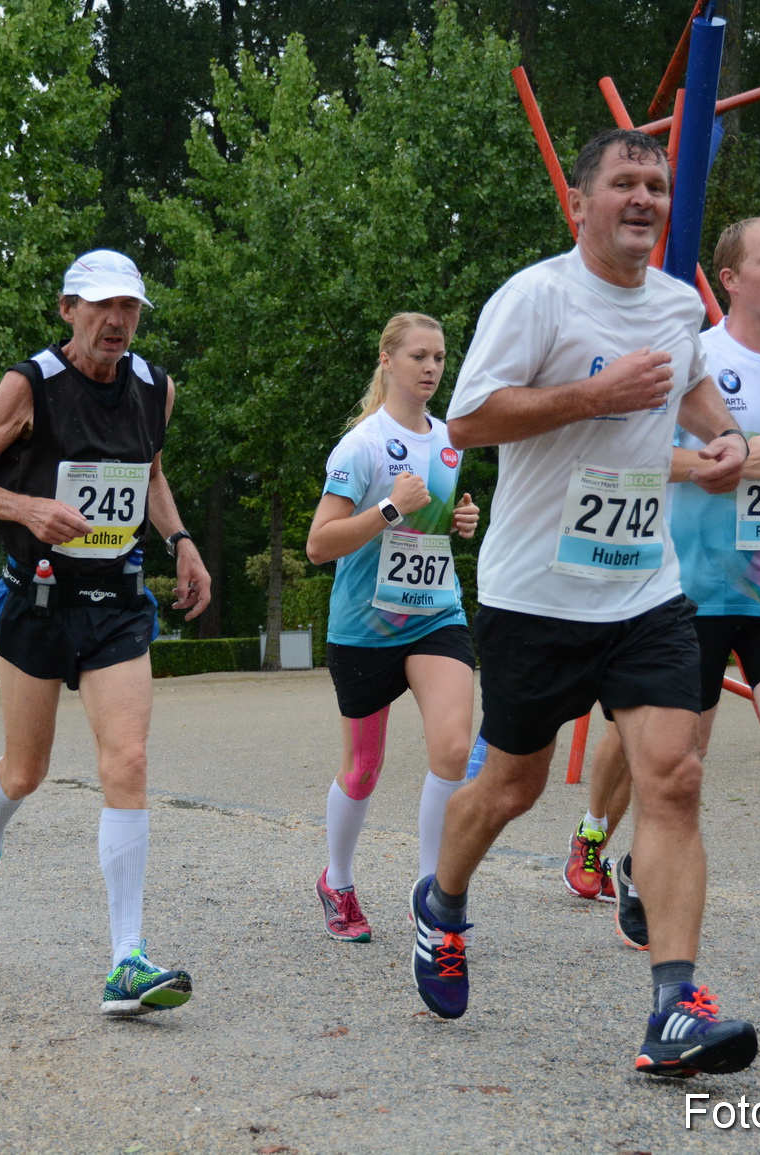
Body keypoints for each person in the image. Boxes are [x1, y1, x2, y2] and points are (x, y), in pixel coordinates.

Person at [414, 127, 757, 1078]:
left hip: (647, 587)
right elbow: (472, 418)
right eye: (624, 183)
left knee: (675, 775)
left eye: (656, 183)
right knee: (513, 787)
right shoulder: (538, 296)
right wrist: (592, 396)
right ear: (581, 202)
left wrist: (724, 439)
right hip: (536, 595)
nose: (643, 197)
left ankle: (674, 1005)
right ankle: (442, 905)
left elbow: (687, 391)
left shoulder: (680, 302)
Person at [567, 218, 760, 973]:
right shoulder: (694, 358)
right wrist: (712, 463)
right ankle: (631, 861)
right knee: (681, 758)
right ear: (730, 279)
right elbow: (637, 457)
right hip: (690, 588)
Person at [0, 249, 211, 1017]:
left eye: (130, 308)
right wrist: (28, 510)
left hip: (117, 601)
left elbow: (151, 474)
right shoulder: (31, 385)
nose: (117, 321)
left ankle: (125, 960)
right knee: (25, 772)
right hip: (38, 600)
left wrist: (182, 540)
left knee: (126, 759)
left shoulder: (155, 386)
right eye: (102, 307)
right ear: (68, 309)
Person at [303, 313, 481, 942]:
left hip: (437, 615)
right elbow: (319, 545)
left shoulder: (451, 438)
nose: (432, 368)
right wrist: (387, 508)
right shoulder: (362, 445)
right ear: (387, 362)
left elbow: (426, 523)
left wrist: (457, 519)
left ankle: (433, 893)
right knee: (363, 769)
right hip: (365, 628)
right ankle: (339, 880)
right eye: (419, 357)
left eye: (439, 357)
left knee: (455, 750)